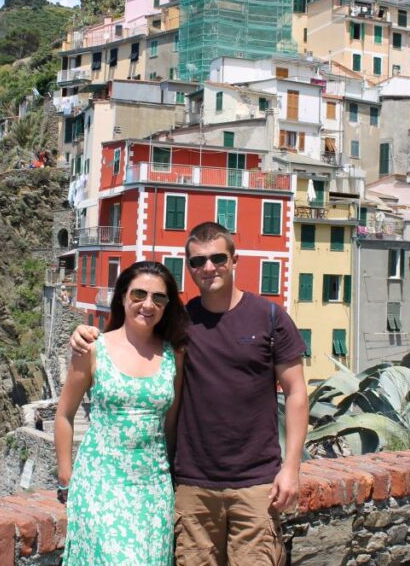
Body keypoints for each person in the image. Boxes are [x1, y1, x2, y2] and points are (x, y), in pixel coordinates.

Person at [71, 222, 309, 565]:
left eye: (218, 258)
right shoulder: (181, 323)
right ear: (189, 267)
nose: (208, 267)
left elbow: (297, 392)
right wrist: (85, 332)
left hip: (257, 484)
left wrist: (292, 469)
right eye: (198, 261)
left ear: (234, 260)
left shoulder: (269, 317)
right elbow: (135, 337)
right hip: (192, 487)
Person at [55, 260, 188, 565]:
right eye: (139, 294)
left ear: (167, 305)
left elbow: (170, 425)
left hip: (152, 489)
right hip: (99, 486)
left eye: (158, 298)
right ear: (123, 297)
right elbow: (64, 415)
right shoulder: (93, 349)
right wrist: (66, 478)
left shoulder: (174, 355)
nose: (148, 304)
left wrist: (170, 478)